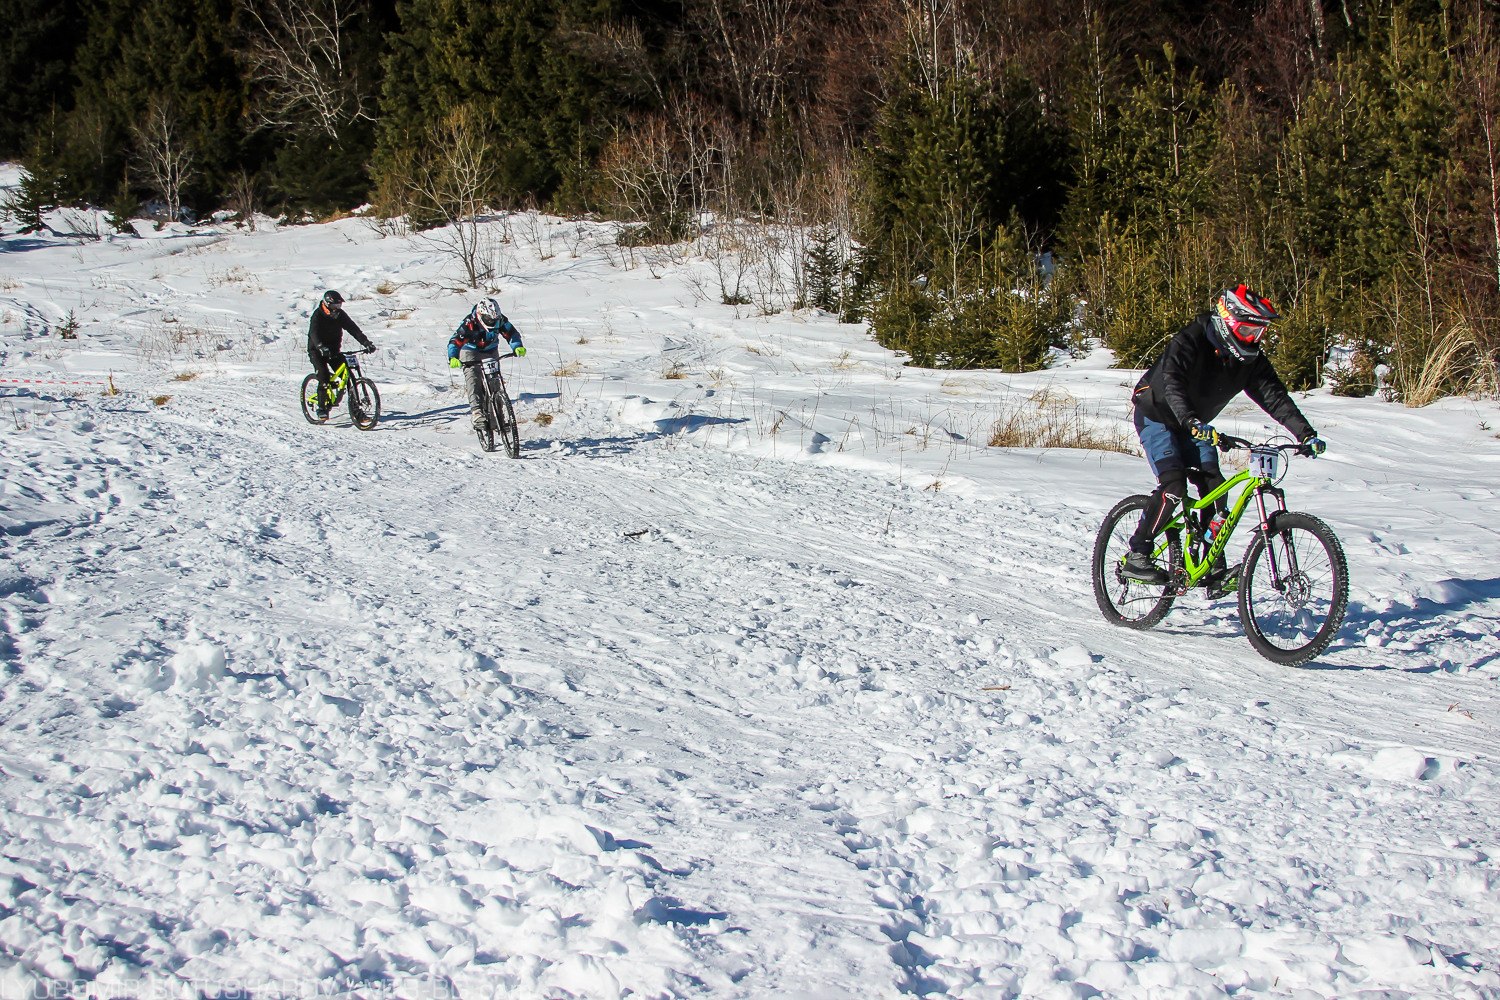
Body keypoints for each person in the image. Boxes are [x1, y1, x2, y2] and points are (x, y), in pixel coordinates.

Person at [1122, 285, 1327, 585]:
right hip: (1158, 415)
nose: (1253, 339)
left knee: (1216, 488)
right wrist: (1190, 419)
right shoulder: (1191, 340)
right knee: (1174, 485)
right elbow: (1172, 382)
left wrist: (1306, 434)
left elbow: (1275, 398)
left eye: (1258, 333)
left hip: (1195, 424)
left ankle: (1213, 567)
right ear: (1227, 320)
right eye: (1247, 330)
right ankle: (1138, 553)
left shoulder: (1250, 361)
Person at [448, 297, 526, 430]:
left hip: (490, 350)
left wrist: (517, 346)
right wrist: (453, 357)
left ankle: (499, 417)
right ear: (481, 316)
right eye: (489, 320)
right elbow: (455, 342)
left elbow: (511, 333)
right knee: (473, 377)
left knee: (495, 382)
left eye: (494, 320)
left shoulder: (500, 320)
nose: (492, 323)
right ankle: (477, 412)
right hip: (470, 350)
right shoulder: (469, 323)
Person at [307, 290, 375, 419]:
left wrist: (366, 343)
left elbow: (353, 329)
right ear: (327, 304)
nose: (337, 308)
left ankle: (356, 412)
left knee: (349, 378)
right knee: (323, 377)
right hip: (317, 351)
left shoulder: (340, 315)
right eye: (334, 305)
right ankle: (321, 408)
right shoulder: (318, 315)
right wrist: (320, 346)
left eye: (339, 305)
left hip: (333, 351)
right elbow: (313, 333)